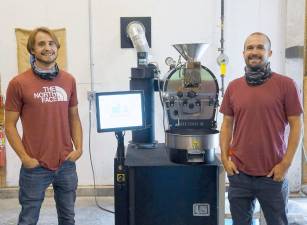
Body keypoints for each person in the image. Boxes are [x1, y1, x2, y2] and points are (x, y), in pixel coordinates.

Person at [219, 32, 303, 225]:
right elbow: (227, 125)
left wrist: (285, 164)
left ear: (269, 53)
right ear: (243, 53)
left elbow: (297, 125)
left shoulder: (286, 85)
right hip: (239, 174)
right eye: (250, 48)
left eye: (260, 47)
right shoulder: (233, 87)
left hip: (272, 174)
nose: (254, 52)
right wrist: (225, 158)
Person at [5, 27, 83, 225]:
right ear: (32, 49)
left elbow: (74, 116)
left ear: (57, 47)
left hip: (66, 163)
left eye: (51, 43)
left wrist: (79, 148)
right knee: (28, 219)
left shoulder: (68, 80)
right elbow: (10, 125)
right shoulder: (18, 83)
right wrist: (25, 158)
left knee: (68, 218)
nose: (47, 48)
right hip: (35, 166)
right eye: (41, 44)